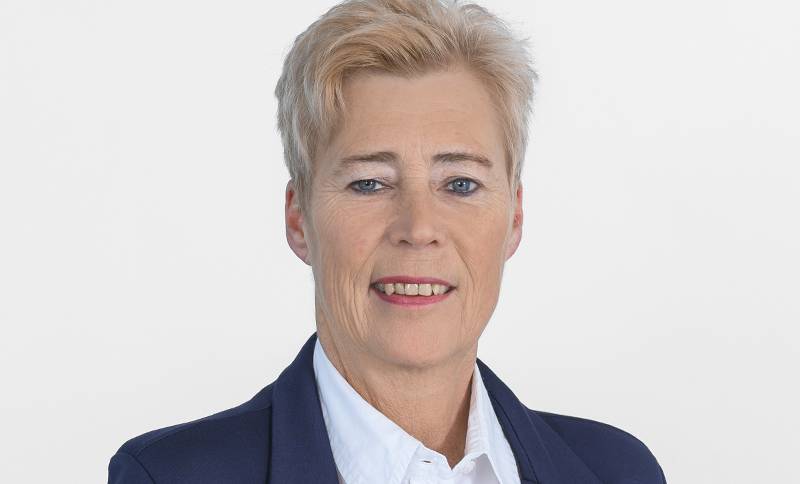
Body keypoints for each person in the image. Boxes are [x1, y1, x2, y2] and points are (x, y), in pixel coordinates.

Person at [108, 1, 666, 482]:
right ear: (299, 219)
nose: (418, 228)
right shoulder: (170, 476)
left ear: (514, 216)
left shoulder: (616, 471)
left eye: (460, 184)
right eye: (369, 183)